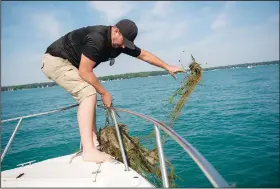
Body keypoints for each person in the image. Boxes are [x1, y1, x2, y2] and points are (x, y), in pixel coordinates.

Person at [41, 19, 184, 163]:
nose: (123, 47)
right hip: (56, 60)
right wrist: (104, 93)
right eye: (123, 42)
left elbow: (143, 55)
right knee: (88, 92)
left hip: (73, 64)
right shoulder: (97, 38)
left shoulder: (121, 43)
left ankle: (94, 143)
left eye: (126, 44)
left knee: (90, 94)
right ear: (115, 30)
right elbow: (85, 71)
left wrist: (167, 67)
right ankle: (88, 151)